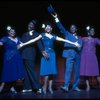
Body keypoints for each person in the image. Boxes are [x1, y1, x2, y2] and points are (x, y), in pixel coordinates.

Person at [18, 22, 80, 94]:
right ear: (45, 28)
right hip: (45, 55)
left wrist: (74, 43)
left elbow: (64, 40)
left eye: (49, 27)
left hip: (52, 55)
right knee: (46, 72)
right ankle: (44, 86)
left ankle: (50, 87)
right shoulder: (42, 35)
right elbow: (33, 40)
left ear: (51, 28)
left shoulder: (53, 36)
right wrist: (23, 44)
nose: (48, 28)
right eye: (46, 27)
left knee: (52, 72)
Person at [50, 13, 83, 92]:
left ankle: (75, 86)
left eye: (74, 27)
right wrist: (56, 18)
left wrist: (78, 46)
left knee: (77, 72)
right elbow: (61, 27)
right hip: (70, 55)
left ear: (76, 29)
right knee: (68, 71)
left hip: (77, 56)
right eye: (71, 27)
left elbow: (80, 47)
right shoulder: (67, 34)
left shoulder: (80, 38)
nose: (72, 28)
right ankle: (66, 86)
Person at [20, 20, 48, 93]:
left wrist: (43, 51)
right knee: (26, 72)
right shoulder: (24, 34)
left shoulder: (36, 34)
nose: (30, 25)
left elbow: (39, 44)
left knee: (32, 71)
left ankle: (38, 87)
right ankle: (27, 87)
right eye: (29, 24)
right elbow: (20, 44)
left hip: (31, 54)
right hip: (23, 55)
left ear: (34, 26)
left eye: (31, 25)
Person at [0, 26, 24, 93]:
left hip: (17, 58)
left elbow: (20, 47)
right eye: (11, 32)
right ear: (8, 32)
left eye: (14, 31)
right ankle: (1, 87)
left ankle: (12, 88)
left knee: (15, 73)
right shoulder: (5, 38)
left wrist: (21, 46)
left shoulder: (18, 38)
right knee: (6, 72)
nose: (12, 33)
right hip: (9, 58)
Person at [80, 26, 100, 91]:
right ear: (88, 32)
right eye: (92, 30)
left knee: (96, 72)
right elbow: (76, 42)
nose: (93, 32)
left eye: (94, 31)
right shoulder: (83, 39)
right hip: (85, 57)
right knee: (86, 72)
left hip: (92, 57)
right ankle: (88, 86)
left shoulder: (95, 39)